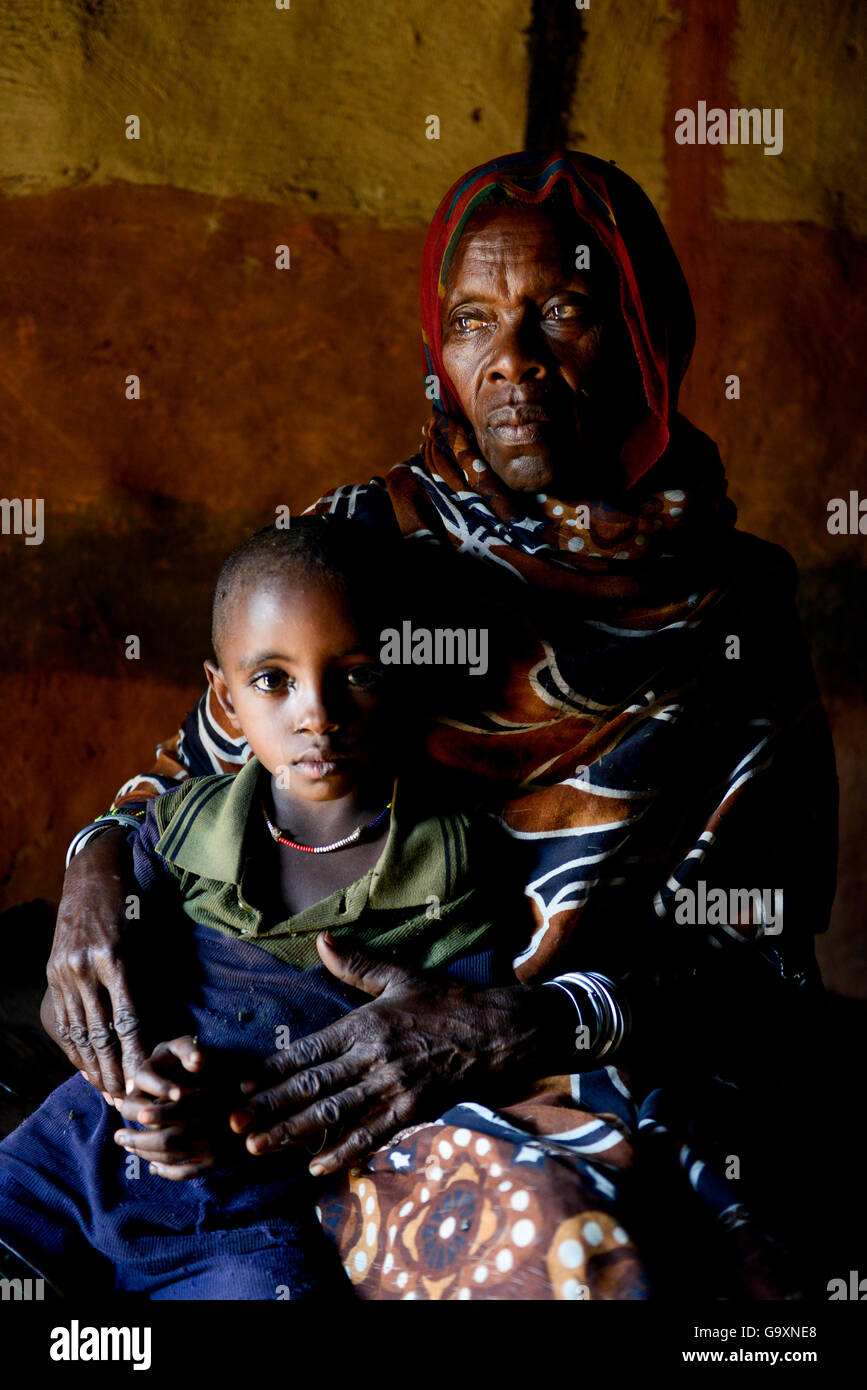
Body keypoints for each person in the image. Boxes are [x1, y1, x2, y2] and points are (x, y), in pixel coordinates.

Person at [43, 151, 837, 1300]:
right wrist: (91, 875)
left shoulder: (734, 612)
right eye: (471, 319)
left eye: (562, 311)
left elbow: (753, 953)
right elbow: (184, 787)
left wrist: (528, 1021)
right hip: (310, 1055)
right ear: (437, 347)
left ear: (646, 333)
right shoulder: (362, 544)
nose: (511, 360)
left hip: (577, 1050)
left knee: (643, 1254)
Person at [0, 516, 560, 1297]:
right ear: (224, 701)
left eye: (358, 673)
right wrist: (136, 1079)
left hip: (243, 1221)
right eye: (273, 681)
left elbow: (443, 1044)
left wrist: (235, 1115)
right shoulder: (180, 828)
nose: (318, 713)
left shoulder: (447, 862)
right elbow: (90, 994)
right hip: (67, 1157)